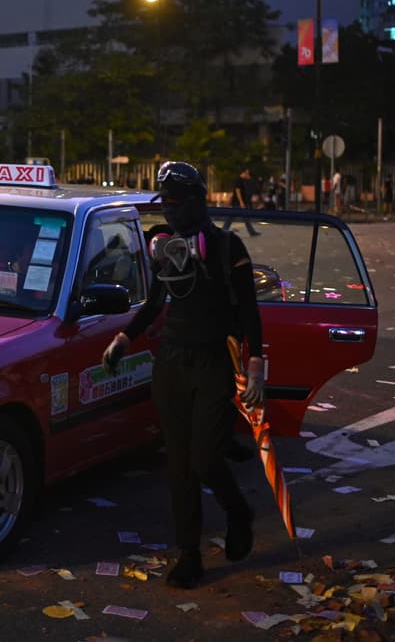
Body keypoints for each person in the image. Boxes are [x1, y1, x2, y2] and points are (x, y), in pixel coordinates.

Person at [101, 160, 263, 589]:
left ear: (196, 201)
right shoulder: (166, 250)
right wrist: (124, 339)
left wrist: (256, 363)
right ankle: (189, 554)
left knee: (206, 458)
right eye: (164, 204)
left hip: (213, 362)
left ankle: (237, 511)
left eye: (175, 203)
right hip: (171, 362)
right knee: (179, 467)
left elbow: (249, 312)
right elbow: (155, 304)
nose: (169, 212)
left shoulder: (230, 249)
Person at [221, 168, 260, 236]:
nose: (248, 175)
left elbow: (234, 193)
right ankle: (252, 232)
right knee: (232, 218)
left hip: (238, 202)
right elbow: (237, 192)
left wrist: (229, 201)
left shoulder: (242, 180)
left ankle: (223, 230)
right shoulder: (239, 180)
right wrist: (241, 202)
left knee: (234, 218)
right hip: (238, 203)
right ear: (244, 173)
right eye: (247, 173)